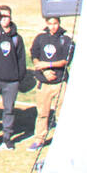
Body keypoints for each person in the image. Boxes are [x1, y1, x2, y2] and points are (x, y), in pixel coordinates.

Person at [0, 6, 27, 150]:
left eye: (7, 16)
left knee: (9, 110)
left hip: (11, 81)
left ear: (11, 18)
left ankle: (7, 137)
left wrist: (18, 78)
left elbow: (21, 60)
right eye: (1, 17)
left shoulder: (16, 38)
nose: (4, 19)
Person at [29, 16, 74, 150]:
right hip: (44, 83)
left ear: (59, 23)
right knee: (43, 113)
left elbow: (66, 61)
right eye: (50, 23)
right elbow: (34, 56)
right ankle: (39, 139)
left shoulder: (65, 40)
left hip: (60, 82)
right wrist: (43, 70)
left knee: (62, 113)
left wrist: (48, 64)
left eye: (55, 23)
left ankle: (64, 140)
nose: (53, 26)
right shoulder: (40, 38)